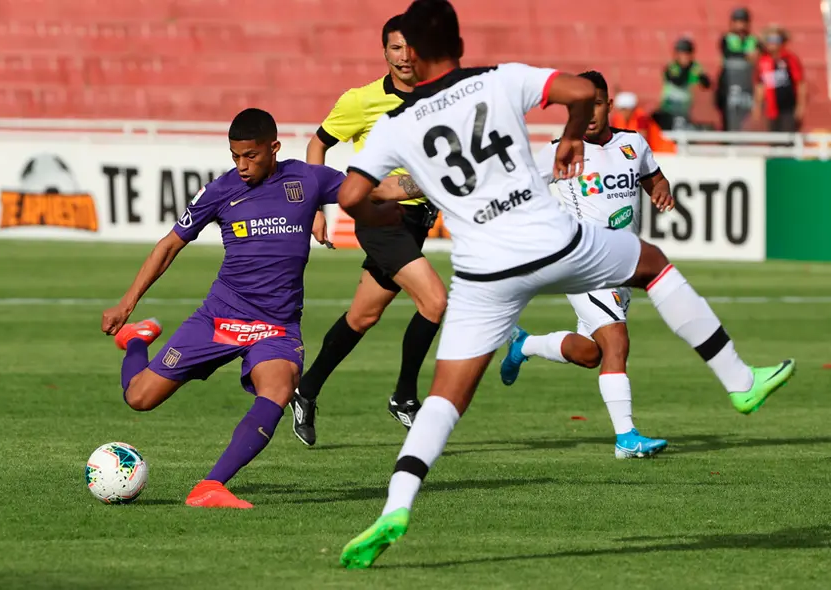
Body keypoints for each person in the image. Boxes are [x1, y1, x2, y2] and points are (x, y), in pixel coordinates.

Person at [336, 0, 796, 568]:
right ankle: (739, 379)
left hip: (482, 271)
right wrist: (573, 136)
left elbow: (353, 196)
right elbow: (579, 91)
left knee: (444, 396)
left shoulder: (396, 124)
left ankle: (395, 507)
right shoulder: (499, 79)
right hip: (552, 241)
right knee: (652, 263)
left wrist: (382, 211)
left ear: (414, 52)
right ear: (458, 43)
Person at [101, 108, 343, 509]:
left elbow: (367, 190)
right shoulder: (220, 191)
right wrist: (127, 305)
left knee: (279, 387)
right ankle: (137, 340)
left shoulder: (306, 179)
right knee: (139, 398)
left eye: (251, 156)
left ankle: (210, 486)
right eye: (235, 156)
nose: (242, 165)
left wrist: (420, 182)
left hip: (276, 326)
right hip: (220, 316)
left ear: (274, 148)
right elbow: (169, 246)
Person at [290, 14, 448, 446]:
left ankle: (305, 390)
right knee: (435, 301)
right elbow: (318, 144)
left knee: (363, 316)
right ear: (384, 52)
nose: (405, 56)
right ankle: (405, 397)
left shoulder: (440, 97)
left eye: (411, 47)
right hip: (379, 217)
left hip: (416, 222)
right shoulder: (360, 101)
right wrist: (315, 208)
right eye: (396, 48)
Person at [500, 70, 674, 459]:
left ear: (608, 105)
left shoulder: (633, 144)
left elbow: (654, 180)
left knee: (592, 354)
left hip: (624, 267)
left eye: (596, 104)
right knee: (617, 341)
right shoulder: (560, 150)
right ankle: (626, 438)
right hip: (585, 264)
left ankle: (525, 344)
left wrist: (662, 191)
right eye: (581, 106)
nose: (590, 113)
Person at [753, 26, 806, 132]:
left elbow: (800, 83)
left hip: (788, 108)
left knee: (788, 135)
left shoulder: (789, 59)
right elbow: (760, 85)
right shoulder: (763, 60)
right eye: (769, 40)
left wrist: (800, 106)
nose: (772, 43)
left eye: (776, 40)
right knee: (773, 137)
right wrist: (757, 106)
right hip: (770, 109)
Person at [716, 7, 759, 131]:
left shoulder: (753, 40)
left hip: (746, 83)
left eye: (743, 22)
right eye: (738, 22)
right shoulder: (727, 38)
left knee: (745, 115)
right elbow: (727, 52)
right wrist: (746, 55)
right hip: (729, 82)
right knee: (728, 115)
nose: (741, 26)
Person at [655, 38, 711, 131]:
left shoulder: (695, 67)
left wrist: (702, 77)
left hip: (685, 108)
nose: (684, 57)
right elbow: (678, 81)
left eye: (686, 54)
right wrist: (686, 68)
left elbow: (706, 85)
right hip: (669, 106)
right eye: (681, 54)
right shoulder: (672, 67)